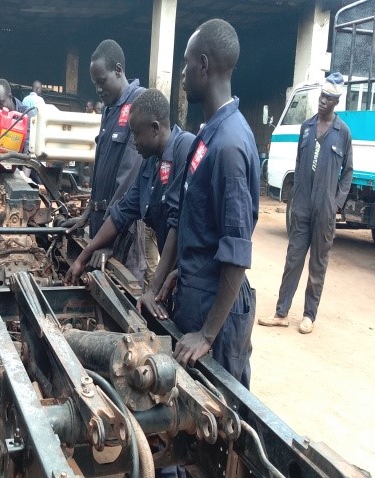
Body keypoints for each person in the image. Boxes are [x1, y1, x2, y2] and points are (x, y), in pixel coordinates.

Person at [139, 19, 259, 388]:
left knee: (220, 417)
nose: (183, 75)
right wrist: (178, 271)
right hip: (196, 293)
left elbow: (237, 251)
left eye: (187, 65)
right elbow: (194, 220)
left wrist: (207, 335)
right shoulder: (207, 136)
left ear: (204, 65)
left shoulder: (229, 146)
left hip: (216, 315)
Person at [65, 89, 194, 285]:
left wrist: (153, 290)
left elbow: (178, 226)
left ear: (154, 128)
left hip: (200, 282)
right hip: (177, 278)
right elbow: (121, 212)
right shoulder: (150, 165)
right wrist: (82, 258)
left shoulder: (185, 149)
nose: (133, 142)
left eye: (136, 134)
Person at [259, 72, 353, 334]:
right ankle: (281, 312)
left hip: (325, 209)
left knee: (318, 263)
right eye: (322, 96)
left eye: (329, 99)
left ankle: (309, 315)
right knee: (293, 259)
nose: (323, 101)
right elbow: (301, 164)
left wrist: (336, 204)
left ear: (336, 102)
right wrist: (296, 195)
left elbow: (348, 172)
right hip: (301, 206)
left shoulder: (342, 133)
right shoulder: (307, 127)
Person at [63, 39, 146, 281]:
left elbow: (126, 183)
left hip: (122, 228)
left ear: (119, 70)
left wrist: (106, 240)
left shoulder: (137, 105)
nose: (98, 90)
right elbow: (100, 169)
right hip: (102, 223)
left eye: (102, 82)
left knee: (123, 293)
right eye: (94, 84)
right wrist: (87, 214)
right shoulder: (110, 109)